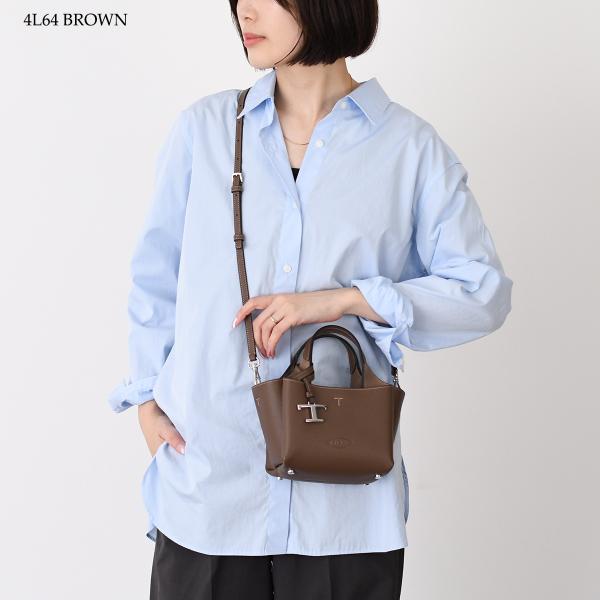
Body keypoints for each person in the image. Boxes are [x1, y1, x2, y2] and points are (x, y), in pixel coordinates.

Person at [107, 1, 513, 598]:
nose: (245, 10)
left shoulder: (410, 149)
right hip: (209, 487)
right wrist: (146, 399)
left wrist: (345, 300)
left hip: (345, 507)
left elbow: (482, 293)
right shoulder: (205, 131)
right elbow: (155, 280)